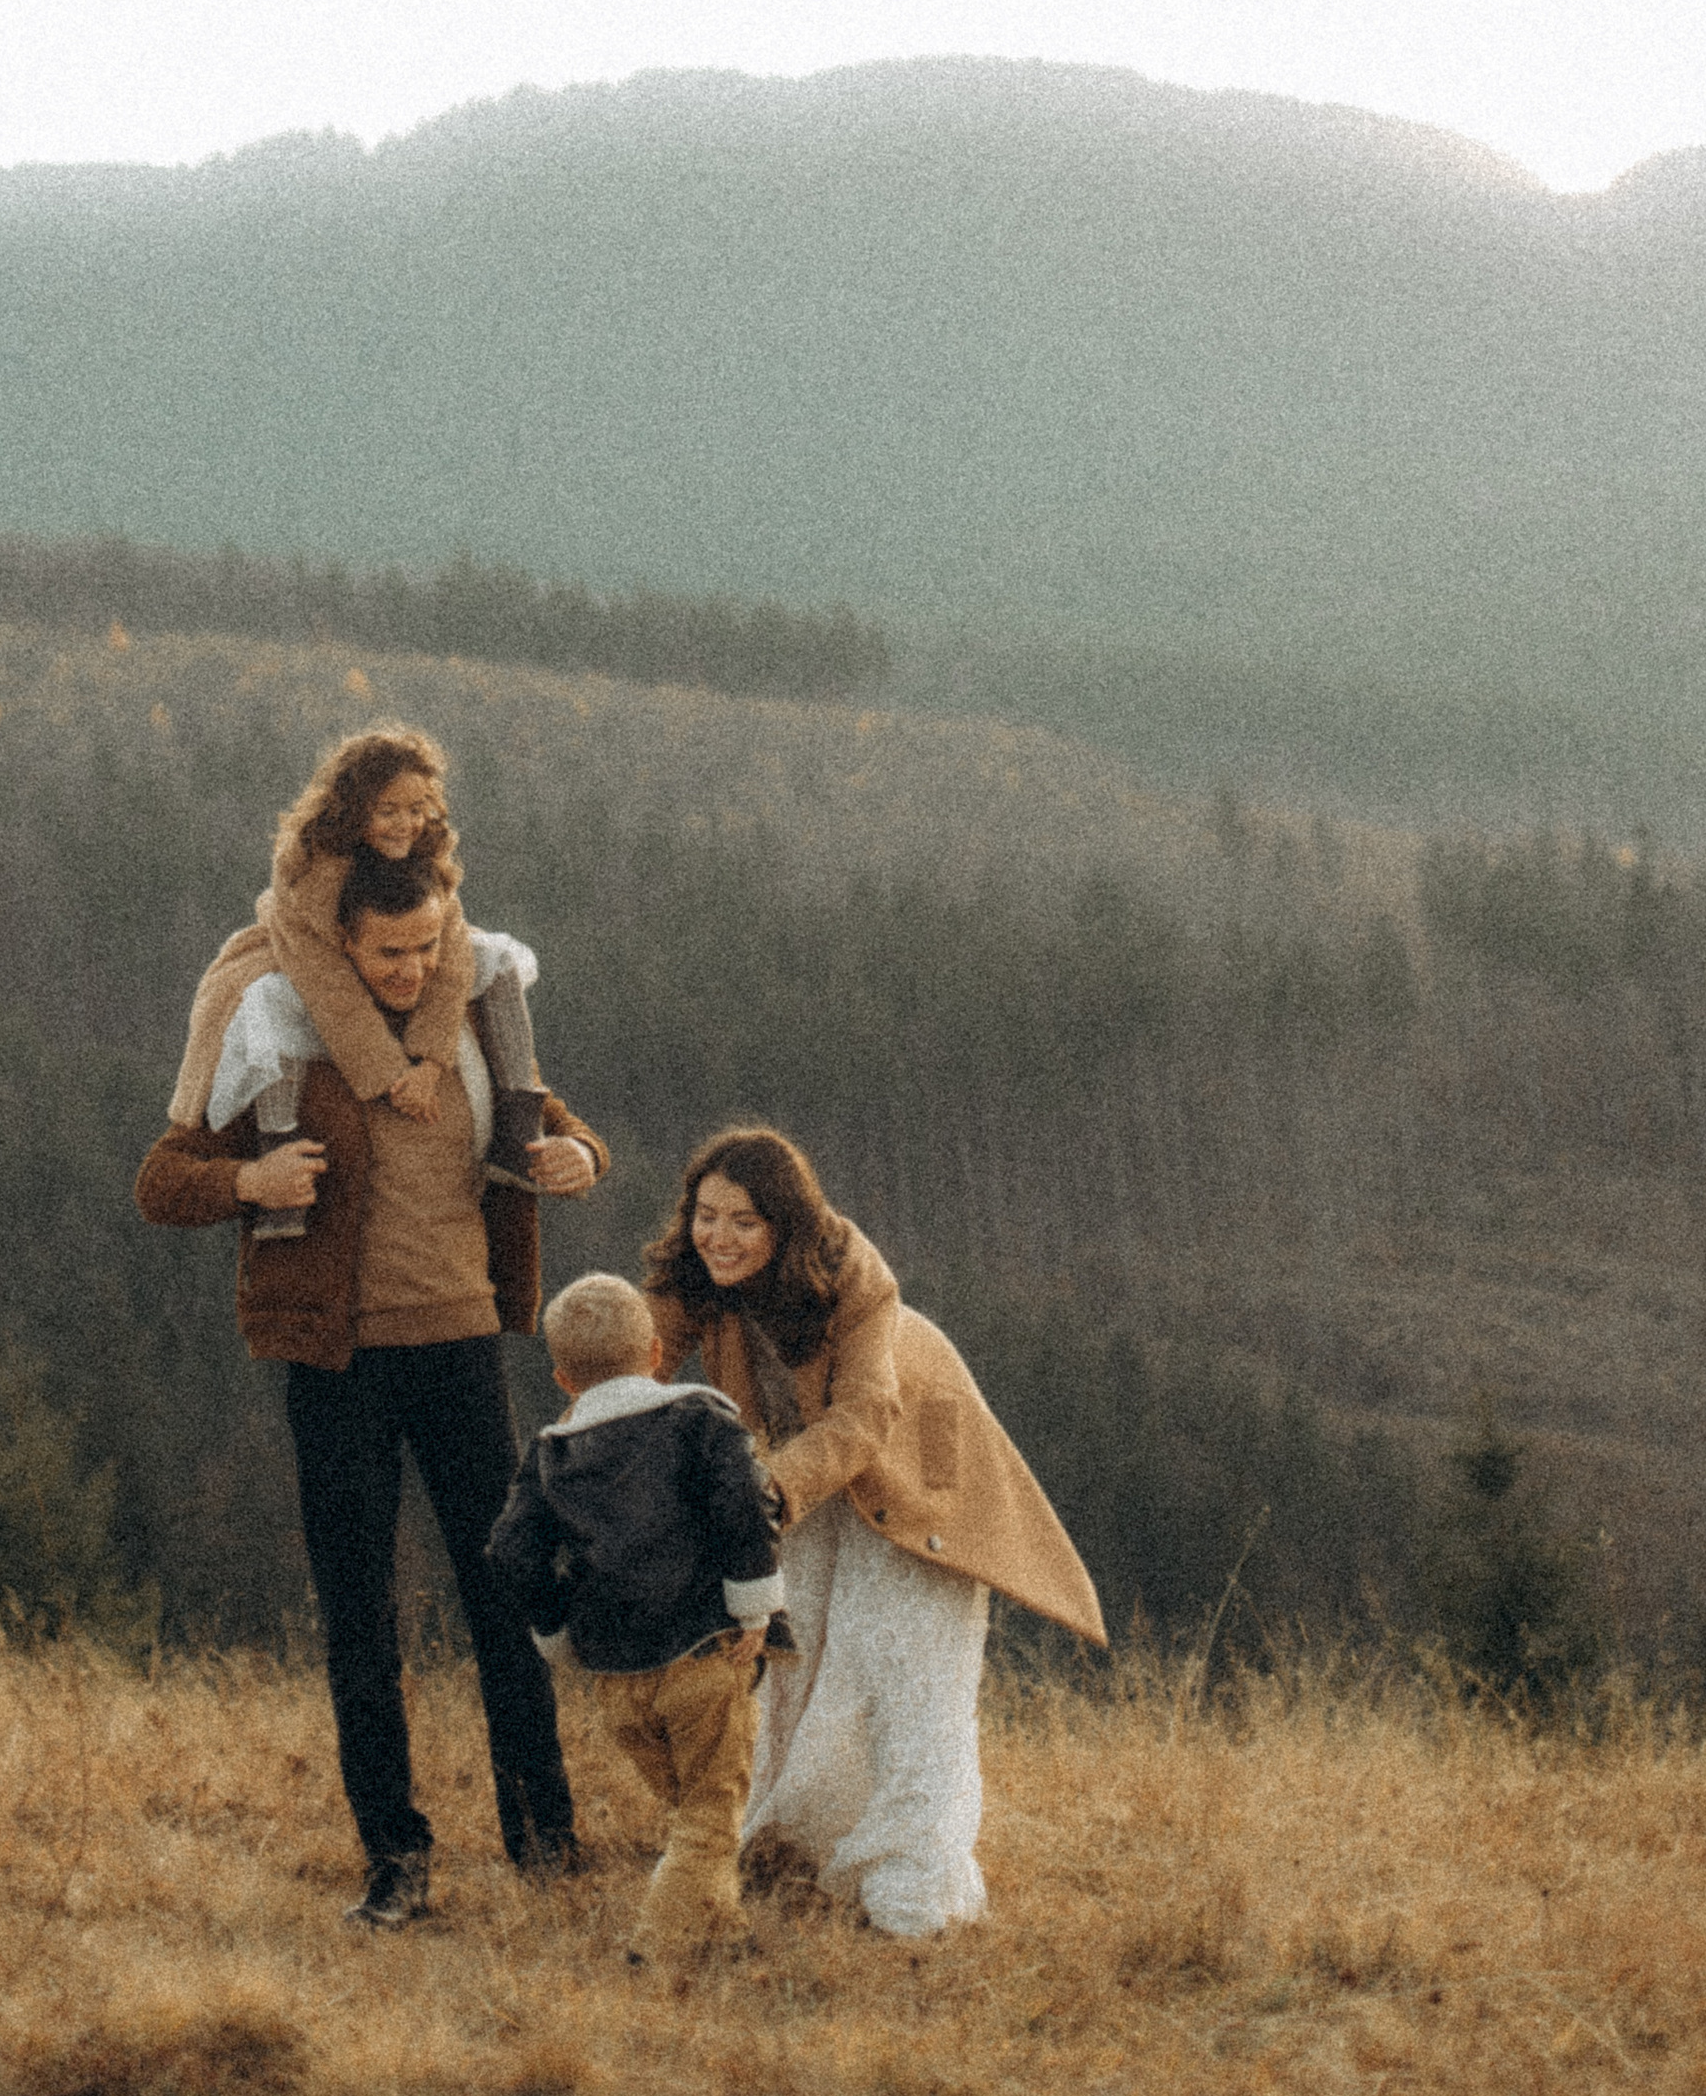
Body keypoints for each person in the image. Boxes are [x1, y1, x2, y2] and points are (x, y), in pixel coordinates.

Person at [137, 810, 606, 1928]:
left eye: (427, 947)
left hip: (459, 1351)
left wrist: (577, 1159)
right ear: (342, 946)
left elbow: (571, 1136)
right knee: (362, 1619)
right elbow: (163, 1179)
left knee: (507, 1595)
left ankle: (545, 1841)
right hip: (336, 1362)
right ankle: (394, 1864)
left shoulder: (483, 1021)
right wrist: (247, 1186)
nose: (410, 971)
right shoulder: (281, 1033)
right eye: (387, 953)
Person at [642, 1125, 1104, 1941]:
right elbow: (630, 1356)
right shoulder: (694, 1274)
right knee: (797, 1649)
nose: (719, 1236)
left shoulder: (854, 1276)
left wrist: (764, 1491)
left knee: (904, 1663)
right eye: (707, 1215)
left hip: (914, 1466)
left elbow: (865, 1414)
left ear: (784, 1228)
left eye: (744, 1222)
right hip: (799, 1468)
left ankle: (911, 1879)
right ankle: (794, 1848)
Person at [486, 1271, 788, 1965]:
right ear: (656, 1354)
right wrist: (754, 1606)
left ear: (564, 1379)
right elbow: (747, 1505)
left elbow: (510, 1551)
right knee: (712, 1820)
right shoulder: (700, 1422)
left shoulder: (550, 1454)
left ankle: (729, 1937)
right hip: (703, 1656)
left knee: (691, 1818)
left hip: (616, 1678)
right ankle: (654, 1950)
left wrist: (556, 1631)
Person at [167, 725, 547, 1178]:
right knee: (267, 1006)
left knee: (498, 960)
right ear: (353, 809)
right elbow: (333, 991)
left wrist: (429, 1063)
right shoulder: (310, 870)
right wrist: (387, 1076)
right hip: (305, 950)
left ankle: (518, 1122)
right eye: (387, 810)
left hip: (396, 942)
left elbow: (451, 963)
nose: (405, 824)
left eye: (416, 808)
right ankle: (279, 1141)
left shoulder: (423, 851)